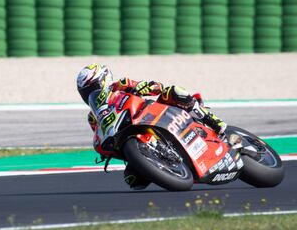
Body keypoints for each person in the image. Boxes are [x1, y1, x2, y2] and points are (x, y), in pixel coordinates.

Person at [77, 63, 227, 190]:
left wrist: (144, 87)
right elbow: (102, 133)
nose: (90, 93)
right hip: (133, 137)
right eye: (85, 92)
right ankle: (169, 165)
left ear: (104, 80)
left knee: (174, 92)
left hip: (152, 115)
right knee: (133, 180)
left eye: (93, 87)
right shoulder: (93, 117)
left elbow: (157, 87)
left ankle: (212, 120)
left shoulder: (122, 85)